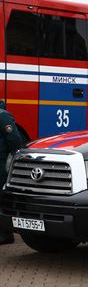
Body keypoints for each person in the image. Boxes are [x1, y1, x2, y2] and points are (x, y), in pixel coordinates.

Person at [0, 100, 25, 244]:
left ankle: (5, 234)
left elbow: (15, 141)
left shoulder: (3, 116)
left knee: (2, 197)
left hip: (1, 163)